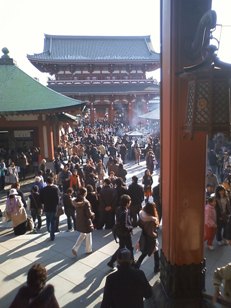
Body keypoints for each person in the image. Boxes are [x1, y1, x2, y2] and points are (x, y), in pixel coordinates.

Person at [107, 194, 134, 269]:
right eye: (130, 201)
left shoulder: (119, 208)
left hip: (119, 232)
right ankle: (132, 263)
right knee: (129, 248)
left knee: (122, 247)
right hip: (125, 233)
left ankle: (111, 262)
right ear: (127, 202)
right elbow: (124, 225)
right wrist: (130, 228)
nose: (130, 202)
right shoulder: (125, 211)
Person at [136, 202, 160, 273]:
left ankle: (137, 266)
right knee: (154, 252)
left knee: (145, 253)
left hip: (144, 235)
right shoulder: (152, 220)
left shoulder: (141, 214)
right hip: (151, 238)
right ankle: (156, 268)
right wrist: (155, 235)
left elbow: (139, 223)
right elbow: (152, 231)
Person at [72, 187, 95, 257]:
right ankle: (88, 249)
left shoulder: (76, 201)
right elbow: (89, 214)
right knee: (88, 234)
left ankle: (75, 248)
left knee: (83, 233)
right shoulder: (86, 202)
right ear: (85, 193)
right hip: (86, 221)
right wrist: (93, 214)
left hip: (79, 219)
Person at [40, 176, 59, 241]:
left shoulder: (43, 189)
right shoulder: (55, 189)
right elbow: (57, 199)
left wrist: (43, 206)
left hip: (46, 207)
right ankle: (52, 235)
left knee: (48, 219)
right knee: (53, 221)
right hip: (53, 207)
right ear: (52, 181)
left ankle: (48, 229)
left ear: (46, 182)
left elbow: (41, 200)